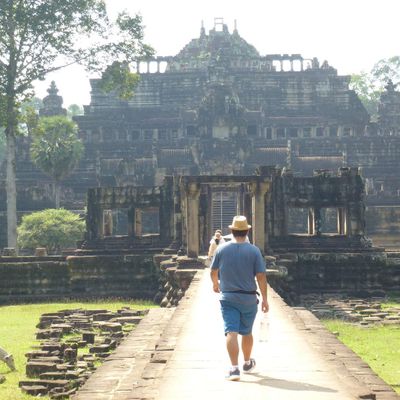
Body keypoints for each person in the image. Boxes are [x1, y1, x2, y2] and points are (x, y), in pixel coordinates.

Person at [210, 215, 269, 381]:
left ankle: (234, 369)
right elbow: (261, 276)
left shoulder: (221, 249)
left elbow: (213, 271)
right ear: (247, 231)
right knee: (247, 332)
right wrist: (265, 299)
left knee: (231, 332)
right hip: (249, 298)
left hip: (228, 298)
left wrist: (215, 284)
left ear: (232, 231)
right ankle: (247, 362)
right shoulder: (254, 250)